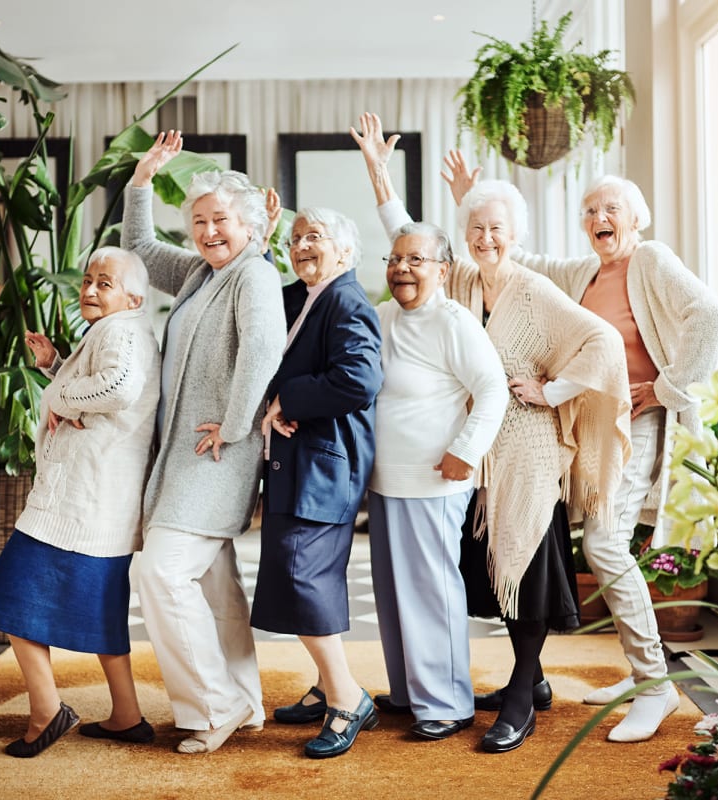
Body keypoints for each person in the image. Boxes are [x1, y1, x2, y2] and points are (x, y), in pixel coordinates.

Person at [351, 113, 631, 753]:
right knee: (487, 569)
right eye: (475, 229)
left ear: (516, 235)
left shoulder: (534, 289)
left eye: (496, 229)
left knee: (525, 565)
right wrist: (377, 172)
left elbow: (601, 340)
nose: (484, 239)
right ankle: (526, 683)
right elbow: (409, 240)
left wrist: (552, 390)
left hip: (528, 447)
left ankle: (520, 693)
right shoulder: (465, 281)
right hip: (480, 451)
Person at [441, 153, 718, 742]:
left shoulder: (648, 259)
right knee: (582, 543)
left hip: (637, 422)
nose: (600, 217)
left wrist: (670, 385)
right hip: (588, 427)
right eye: (590, 210)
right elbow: (511, 258)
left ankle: (654, 683)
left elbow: (712, 314)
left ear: (635, 219)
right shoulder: (583, 275)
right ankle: (622, 675)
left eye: (611, 208)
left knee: (603, 544)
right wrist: (473, 200)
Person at [121, 131, 286, 754]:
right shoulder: (197, 271)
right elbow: (137, 246)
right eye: (199, 221)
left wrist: (238, 424)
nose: (209, 230)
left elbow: (263, 352)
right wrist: (141, 182)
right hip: (187, 454)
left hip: (215, 454)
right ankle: (241, 700)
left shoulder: (254, 275)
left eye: (221, 219)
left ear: (248, 224)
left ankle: (209, 707)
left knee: (161, 573)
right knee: (214, 582)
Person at [0, 246, 161, 757]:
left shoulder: (120, 330)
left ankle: (46, 710)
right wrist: (57, 364)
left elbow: (121, 386)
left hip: (78, 503)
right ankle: (127, 715)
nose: (91, 289)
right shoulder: (125, 330)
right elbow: (109, 388)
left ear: (134, 296)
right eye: (88, 280)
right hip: (101, 503)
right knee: (103, 612)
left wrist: (58, 396)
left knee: (12, 597)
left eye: (105, 283)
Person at [366, 221, 508, 741]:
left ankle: (447, 701)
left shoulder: (454, 321)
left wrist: (465, 451)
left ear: (443, 270)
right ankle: (409, 691)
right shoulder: (380, 316)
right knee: (392, 591)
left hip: (434, 478)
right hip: (384, 479)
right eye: (395, 259)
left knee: (429, 591)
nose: (402, 268)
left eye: (416, 260)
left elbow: (493, 389)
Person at [250, 207, 383, 758]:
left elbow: (360, 378)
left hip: (325, 465)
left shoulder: (348, 301)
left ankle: (348, 699)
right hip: (295, 463)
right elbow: (253, 304)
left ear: (345, 252)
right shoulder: (300, 297)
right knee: (294, 577)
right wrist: (259, 240)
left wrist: (288, 397)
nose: (302, 245)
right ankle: (331, 683)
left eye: (316, 237)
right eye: (296, 237)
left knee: (306, 578)